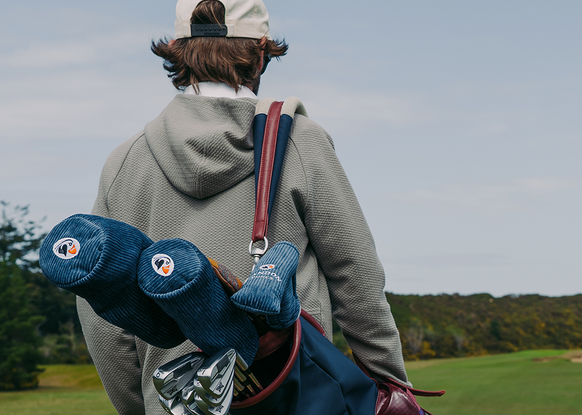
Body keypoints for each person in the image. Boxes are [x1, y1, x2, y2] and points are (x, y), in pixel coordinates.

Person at [77, 1, 410, 413]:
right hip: (298, 398)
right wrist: (392, 387)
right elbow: (355, 276)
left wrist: (144, 405)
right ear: (262, 51)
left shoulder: (125, 161)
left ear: (177, 50)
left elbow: (100, 312)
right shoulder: (299, 142)